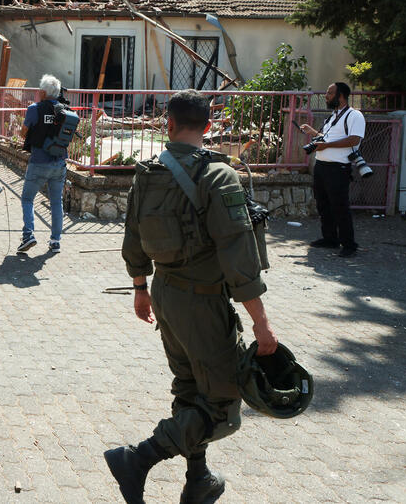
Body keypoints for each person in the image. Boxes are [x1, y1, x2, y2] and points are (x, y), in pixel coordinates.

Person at [109, 89, 277, 503]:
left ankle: (198, 478)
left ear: (168, 124)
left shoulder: (147, 172)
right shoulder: (219, 176)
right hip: (202, 302)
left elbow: (132, 239)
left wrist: (140, 289)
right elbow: (239, 261)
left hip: (165, 294)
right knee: (221, 403)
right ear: (209, 126)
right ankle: (138, 458)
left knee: (188, 389)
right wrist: (261, 323)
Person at [299, 82, 366, 257]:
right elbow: (326, 138)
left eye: (329, 93)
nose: (326, 96)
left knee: (340, 206)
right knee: (323, 205)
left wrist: (327, 145)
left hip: (338, 168)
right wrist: (314, 133)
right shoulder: (332, 116)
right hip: (322, 166)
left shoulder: (354, 115)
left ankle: (349, 244)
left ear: (341, 96)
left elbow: (354, 140)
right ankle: (330, 238)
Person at [18, 74, 67, 253]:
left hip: (39, 161)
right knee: (56, 202)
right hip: (59, 162)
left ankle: (28, 235)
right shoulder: (64, 110)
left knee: (27, 199)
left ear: (43, 92)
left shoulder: (34, 109)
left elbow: (24, 133)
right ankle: (55, 241)